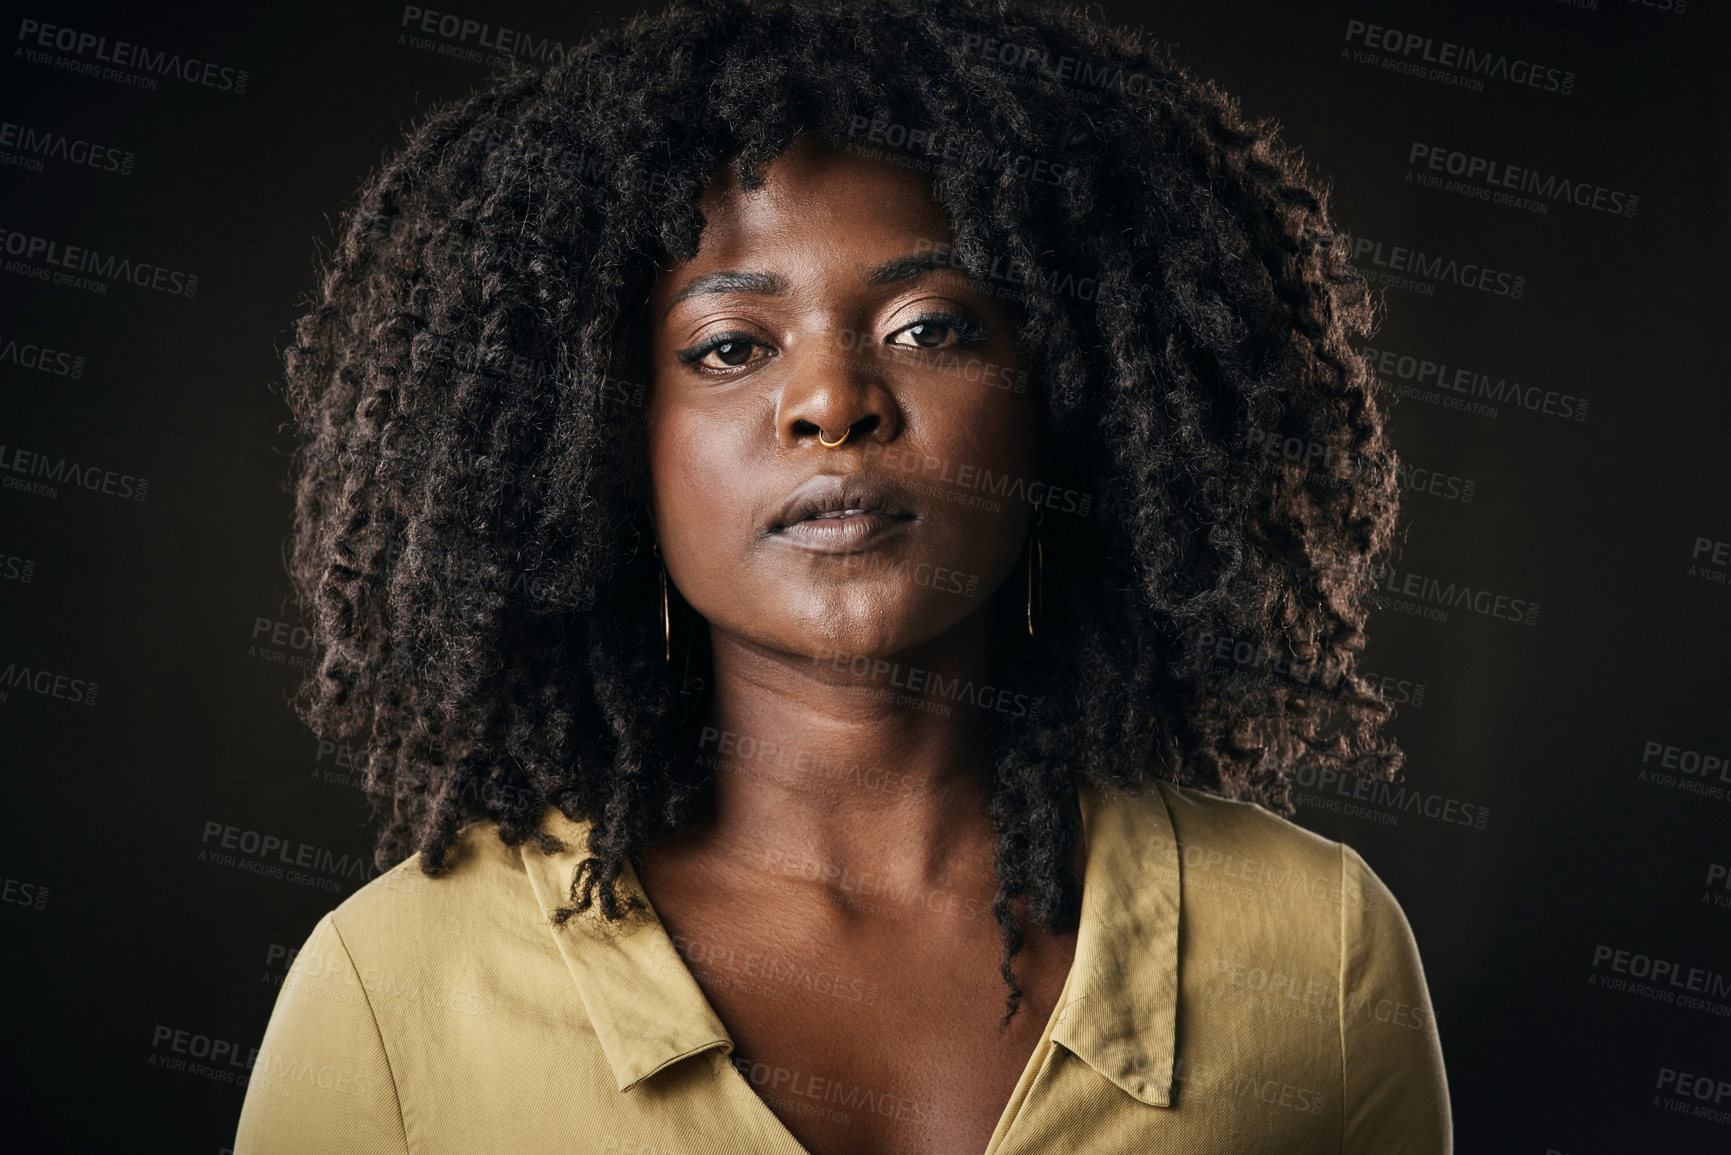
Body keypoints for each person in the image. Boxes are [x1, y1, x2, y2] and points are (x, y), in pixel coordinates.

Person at [235, 0, 1450, 1150]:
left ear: (1069, 405)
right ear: (608, 444)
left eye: (931, 327)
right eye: (727, 347)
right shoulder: (395, 995)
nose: (832, 402)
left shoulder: (1316, 958)